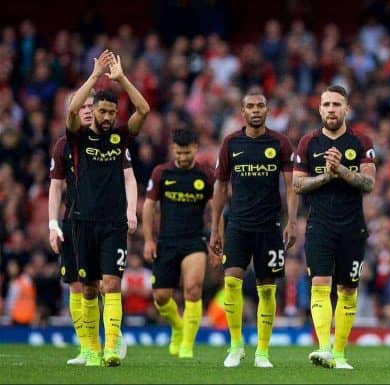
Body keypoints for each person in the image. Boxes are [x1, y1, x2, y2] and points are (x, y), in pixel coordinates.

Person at [66, 49, 150, 366]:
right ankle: (90, 349)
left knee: (112, 284)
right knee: (88, 288)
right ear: (95, 111)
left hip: (113, 222)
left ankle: (111, 347)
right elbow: (72, 110)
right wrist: (94, 77)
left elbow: (144, 108)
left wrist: (120, 79)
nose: (106, 117)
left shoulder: (120, 138)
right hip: (83, 220)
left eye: (111, 113)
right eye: (102, 112)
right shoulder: (78, 138)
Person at [208, 91, 298, 368]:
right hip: (237, 223)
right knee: (231, 281)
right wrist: (215, 228)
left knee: (267, 290)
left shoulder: (280, 143)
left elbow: (292, 186)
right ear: (242, 111)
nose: (256, 110)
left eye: (260, 106)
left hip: (269, 226)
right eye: (250, 106)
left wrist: (291, 222)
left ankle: (262, 351)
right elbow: (220, 187)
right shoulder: (231, 143)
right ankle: (236, 346)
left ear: (267, 111)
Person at [292, 85, 376, 370]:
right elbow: (297, 184)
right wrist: (326, 177)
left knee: (348, 290)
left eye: (336, 104)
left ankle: (340, 355)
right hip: (320, 225)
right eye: (326, 104)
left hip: (353, 226)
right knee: (319, 284)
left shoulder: (361, 141)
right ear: (319, 109)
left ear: (346, 109)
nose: (331, 109)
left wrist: (340, 170)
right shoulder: (308, 142)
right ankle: (324, 349)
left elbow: (369, 183)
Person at [49, 89, 135, 365]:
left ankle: (110, 339)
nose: (87, 110)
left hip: (107, 218)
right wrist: (52, 224)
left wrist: (130, 211)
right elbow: (55, 187)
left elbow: (129, 178)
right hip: (74, 220)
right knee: (79, 286)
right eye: (83, 106)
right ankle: (87, 349)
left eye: (91, 106)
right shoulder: (65, 144)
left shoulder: (113, 142)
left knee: (106, 283)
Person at [142, 127, 215, 359]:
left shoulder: (205, 175)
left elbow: (216, 209)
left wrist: (215, 239)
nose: (183, 158)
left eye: (187, 153)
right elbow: (149, 207)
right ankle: (177, 325)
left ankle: (187, 345)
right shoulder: (161, 173)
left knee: (193, 290)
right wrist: (148, 240)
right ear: (173, 149)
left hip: (195, 240)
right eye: (179, 153)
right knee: (161, 296)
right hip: (166, 242)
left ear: (195, 148)